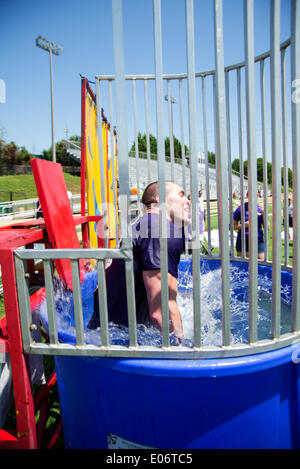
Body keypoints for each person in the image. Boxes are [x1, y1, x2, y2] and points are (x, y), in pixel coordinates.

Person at [88, 181, 190, 339]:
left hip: (106, 334)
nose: (187, 200)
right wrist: (183, 350)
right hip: (118, 344)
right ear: (159, 198)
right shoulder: (158, 230)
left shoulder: (145, 225)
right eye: (181, 195)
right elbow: (160, 312)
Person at [233, 192, 265, 260]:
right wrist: (244, 225)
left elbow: (267, 227)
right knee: (243, 265)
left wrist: (264, 213)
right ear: (247, 196)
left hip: (258, 240)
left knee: (261, 263)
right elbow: (233, 226)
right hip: (243, 240)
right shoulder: (240, 208)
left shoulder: (260, 208)